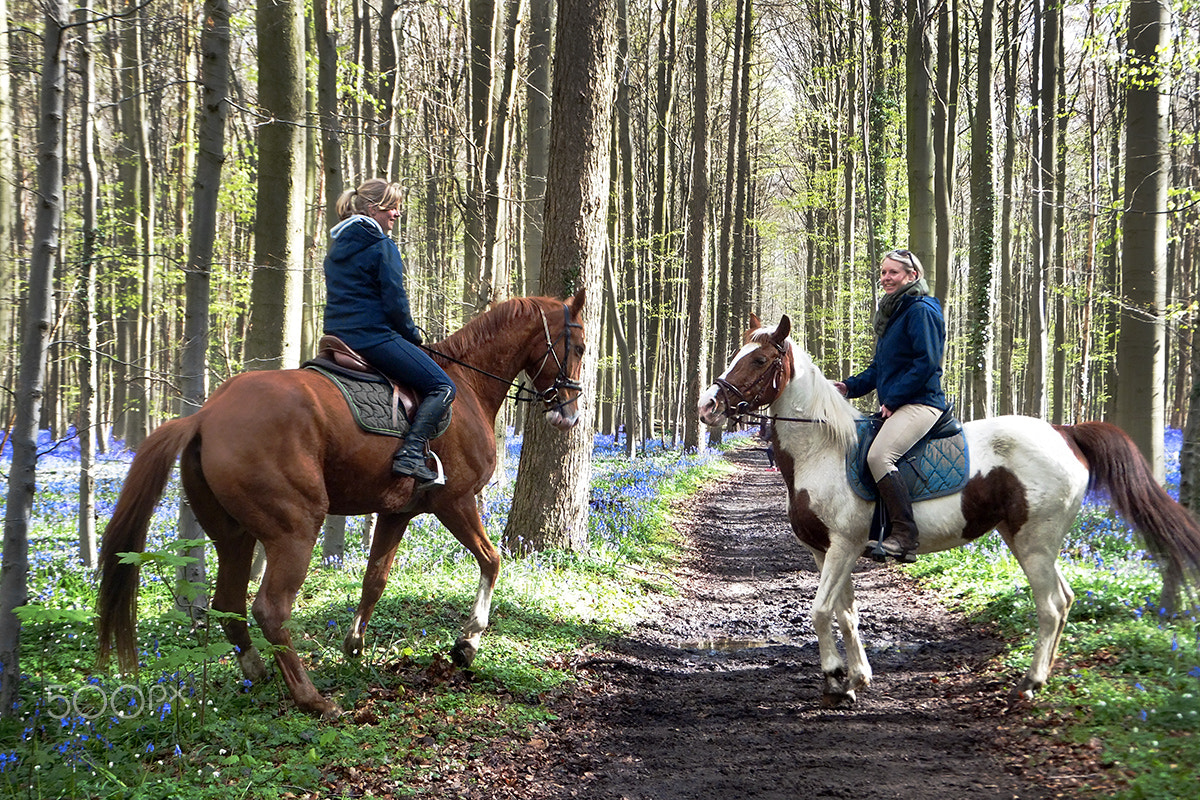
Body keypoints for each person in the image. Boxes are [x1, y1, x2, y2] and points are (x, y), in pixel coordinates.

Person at [323, 178, 455, 483]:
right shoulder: (382, 246)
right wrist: (411, 336)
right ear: (373, 209)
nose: (397, 214)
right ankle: (409, 454)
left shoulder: (339, 246)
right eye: (391, 208)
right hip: (372, 336)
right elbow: (395, 301)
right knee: (442, 386)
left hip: (337, 336)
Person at [833, 249, 947, 562]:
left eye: (893, 272)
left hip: (922, 403)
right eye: (883, 272)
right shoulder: (894, 313)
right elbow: (880, 368)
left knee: (880, 456)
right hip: (901, 403)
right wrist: (848, 387)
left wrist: (894, 399)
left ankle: (906, 536)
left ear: (913, 276)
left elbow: (926, 362)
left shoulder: (921, 310)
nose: (885, 278)